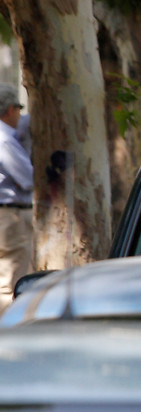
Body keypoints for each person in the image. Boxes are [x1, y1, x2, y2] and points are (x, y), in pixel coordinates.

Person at [0, 83, 33, 309]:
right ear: (10, 109)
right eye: (19, 108)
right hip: (11, 216)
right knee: (10, 286)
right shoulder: (4, 139)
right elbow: (28, 179)